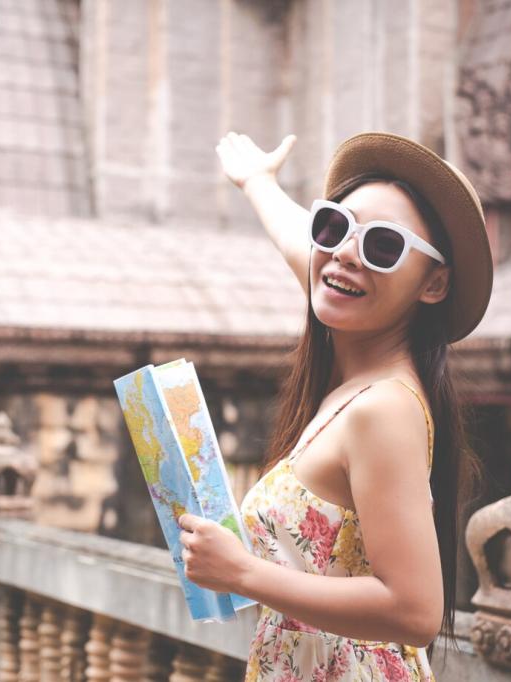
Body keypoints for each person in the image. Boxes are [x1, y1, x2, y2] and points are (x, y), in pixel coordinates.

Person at [176, 130, 494, 680]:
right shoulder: (357, 371)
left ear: (434, 284)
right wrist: (258, 183)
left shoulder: (384, 408)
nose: (345, 253)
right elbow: (306, 250)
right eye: (334, 225)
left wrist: (243, 573)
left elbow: (415, 611)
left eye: (384, 246)